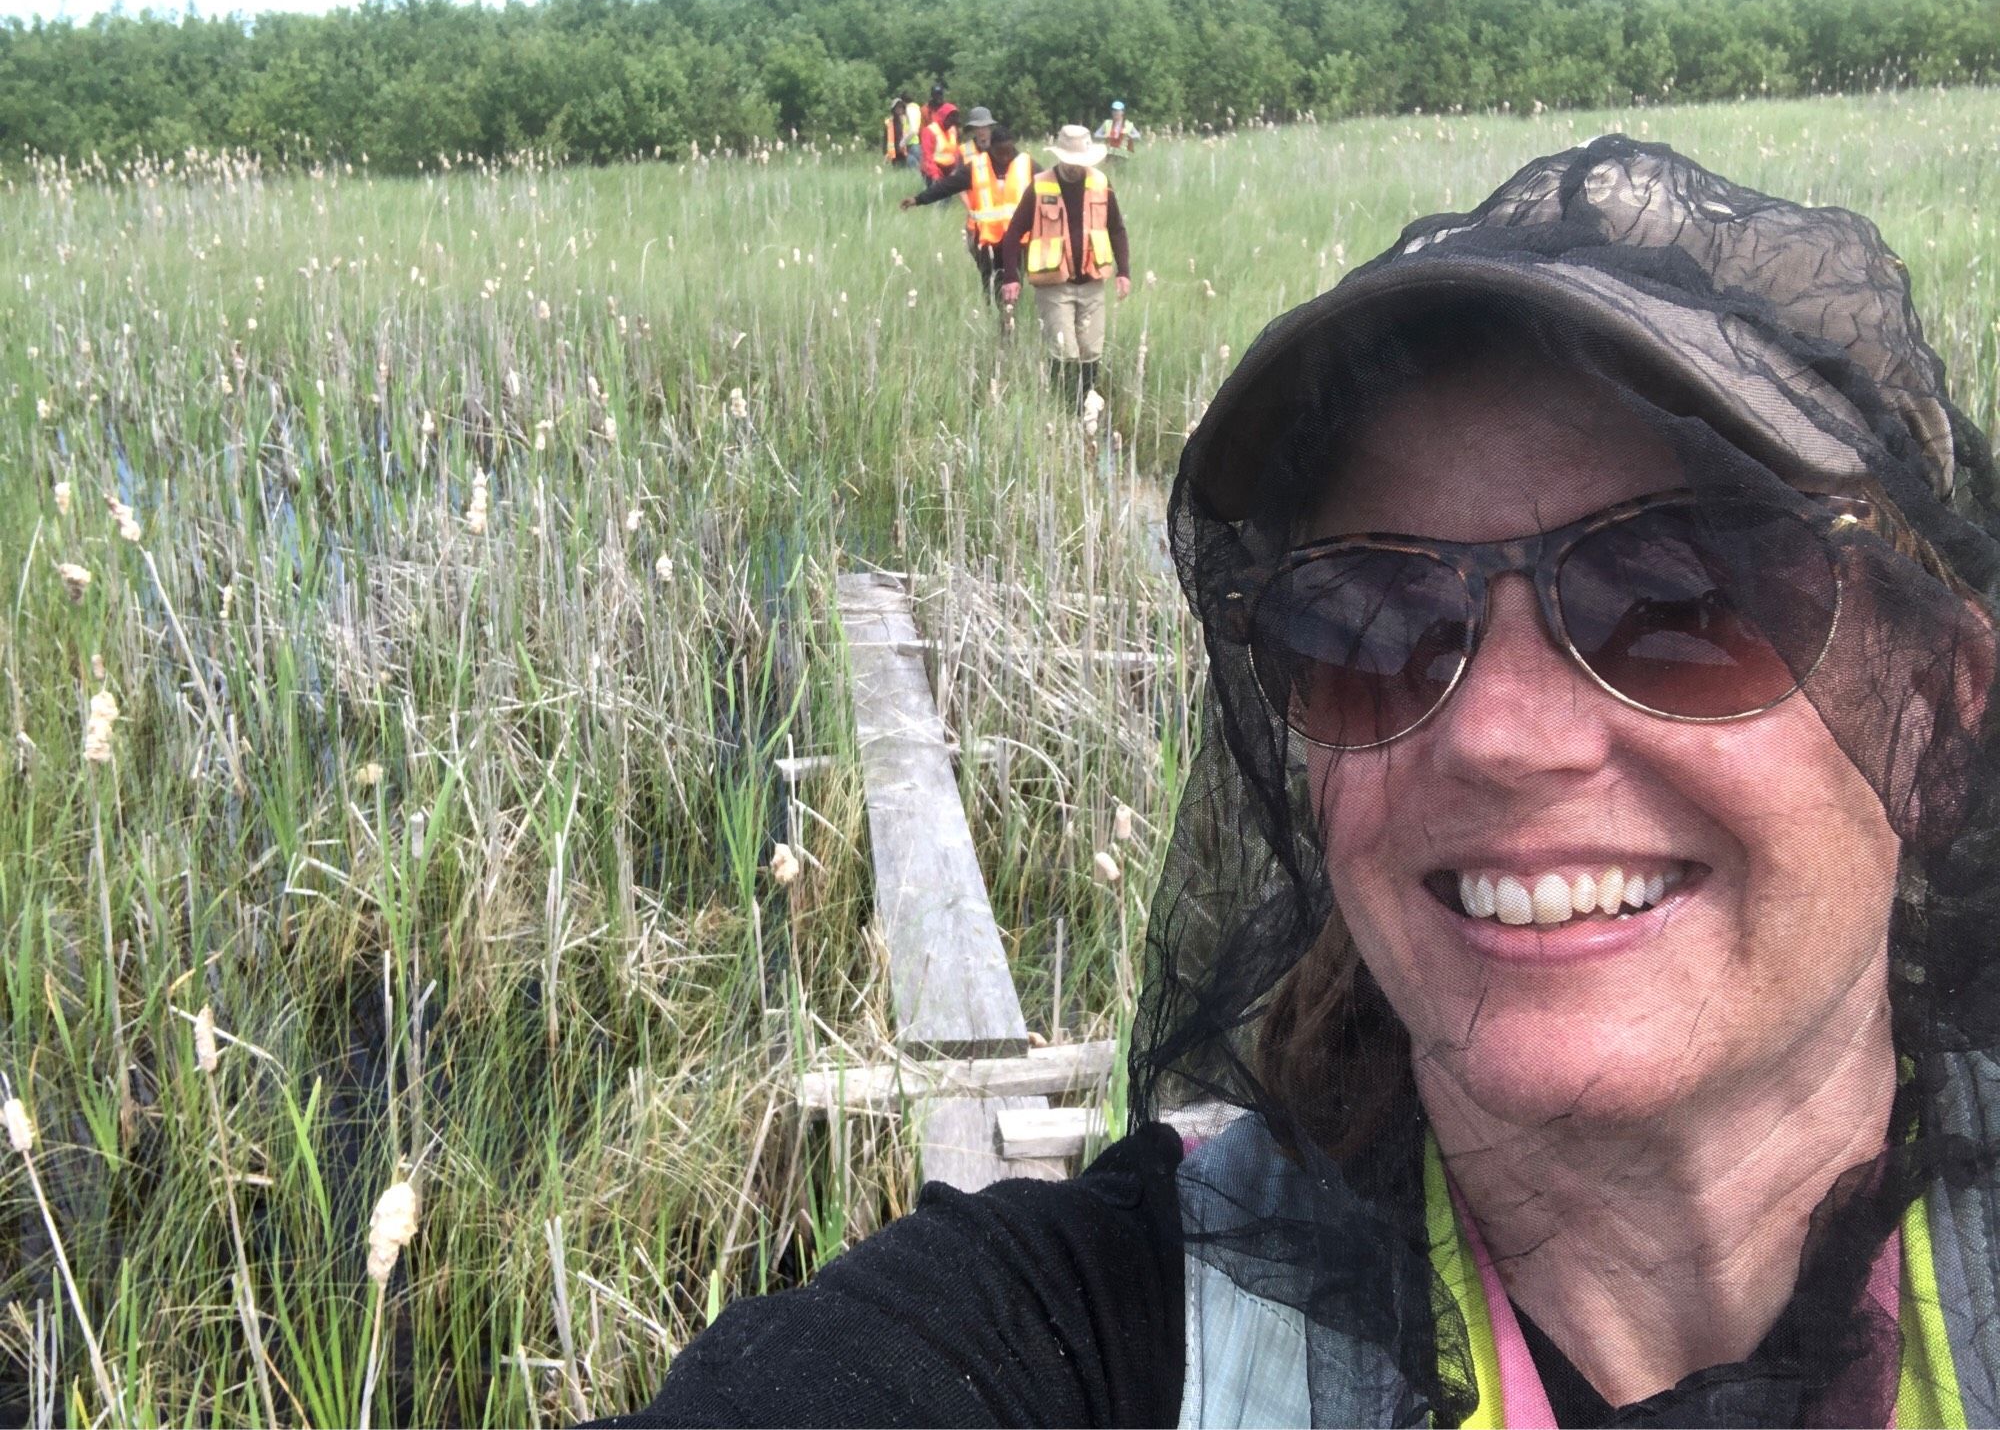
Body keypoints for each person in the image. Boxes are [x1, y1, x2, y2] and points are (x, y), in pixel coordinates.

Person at [600, 136, 2000, 1428]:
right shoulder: (1096, 1336)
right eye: (1372, 625)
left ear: (1939, 711)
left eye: (1686, 599)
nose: (1502, 734)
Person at [998, 124, 1131, 409]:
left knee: (1091, 350)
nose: (1075, 168)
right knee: (1064, 350)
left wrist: (1124, 272)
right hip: (1054, 286)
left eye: (1080, 162)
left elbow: (1117, 229)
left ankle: (1082, 403)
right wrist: (1011, 276)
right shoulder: (1039, 185)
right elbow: (1012, 234)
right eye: (1070, 162)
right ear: (1060, 157)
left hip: (1093, 282)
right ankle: (1067, 407)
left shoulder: (1101, 183)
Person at [899, 109, 1034, 308]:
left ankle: (1009, 321)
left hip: (1018, 240)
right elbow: (947, 186)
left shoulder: (1025, 164)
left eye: (1009, 152)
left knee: (1014, 283)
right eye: (1000, 153)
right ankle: (995, 314)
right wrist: (919, 199)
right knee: (990, 282)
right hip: (986, 239)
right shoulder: (975, 166)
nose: (1005, 157)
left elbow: (1048, 184)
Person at [919, 102, 961, 184]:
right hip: (933, 173)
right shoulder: (930, 130)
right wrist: (935, 175)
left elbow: (956, 152)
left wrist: (956, 170)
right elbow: (927, 156)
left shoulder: (952, 130)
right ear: (944, 117)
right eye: (950, 119)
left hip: (949, 172)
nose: (952, 124)